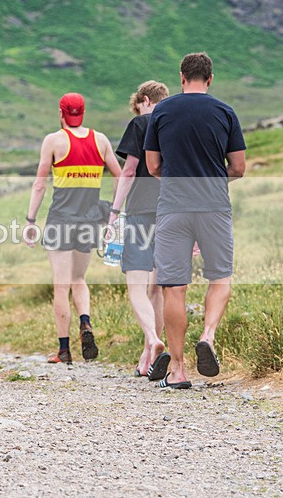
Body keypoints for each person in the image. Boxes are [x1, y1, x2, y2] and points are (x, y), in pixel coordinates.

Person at [144, 52, 246, 389]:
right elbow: (238, 167)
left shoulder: (162, 111)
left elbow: (153, 166)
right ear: (210, 78)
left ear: (182, 77)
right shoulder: (225, 112)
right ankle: (208, 335)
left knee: (173, 286)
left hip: (173, 206)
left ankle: (178, 370)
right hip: (214, 205)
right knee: (220, 276)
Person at [25, 93, 121, 364]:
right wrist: (113, 212)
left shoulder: (53, 141)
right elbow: (121, 175)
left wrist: (30, 221)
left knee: (61, 285)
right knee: (79, 278)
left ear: (61, 113)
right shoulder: (100, 140)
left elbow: (40, 185)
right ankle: (85, 322)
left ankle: (64, 350)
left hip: (60, 221)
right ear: (83, 112)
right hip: (89, 221)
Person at [107, 81, 170, 381]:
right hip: (170, 210)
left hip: (141, 211)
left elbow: (129, 170)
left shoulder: (141, 123)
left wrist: (114, 212)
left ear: (144, 100)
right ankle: (148, 356)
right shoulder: (174, 123)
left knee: (136, 286)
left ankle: (153, 339)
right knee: (157, 288)